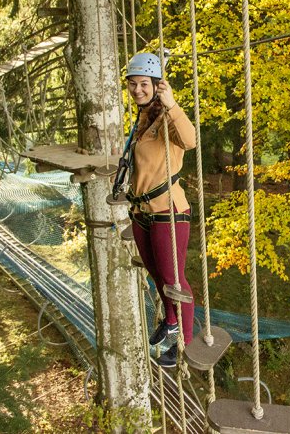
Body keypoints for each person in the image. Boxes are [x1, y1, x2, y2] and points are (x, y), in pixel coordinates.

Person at [122, 52, 196, 368]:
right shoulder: (142, 120)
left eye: (143, 84)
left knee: (173, 279)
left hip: (168, 211)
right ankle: (169, 320)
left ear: (156, 85)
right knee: (156, 274)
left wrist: (172, 104)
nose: (137, 90)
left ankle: (185, 343)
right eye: (132, 84)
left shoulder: (167, 118)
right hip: (142, 212)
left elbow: (191, 141)